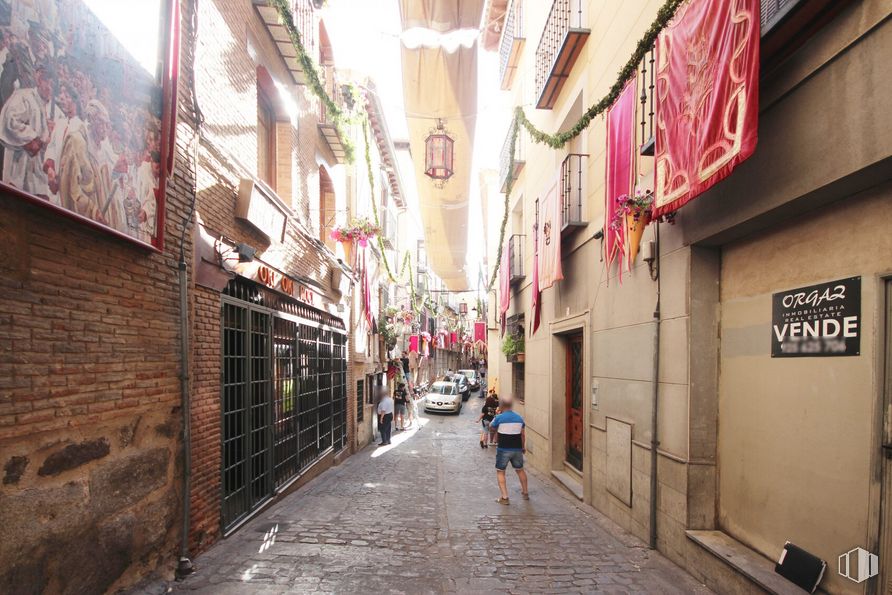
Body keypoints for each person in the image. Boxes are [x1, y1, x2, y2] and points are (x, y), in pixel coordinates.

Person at [490, 397, 529, 504]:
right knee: (520, 470)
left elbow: (491, 427)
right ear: (511, 406)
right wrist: (523, 447)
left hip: (503, 449)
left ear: (502, 406)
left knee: (500, 472)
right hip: (517, 449)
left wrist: (497, 418)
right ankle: (525, 493)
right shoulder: (519, 418)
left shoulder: (499, 417)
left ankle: (505, 497)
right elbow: (522, 435)